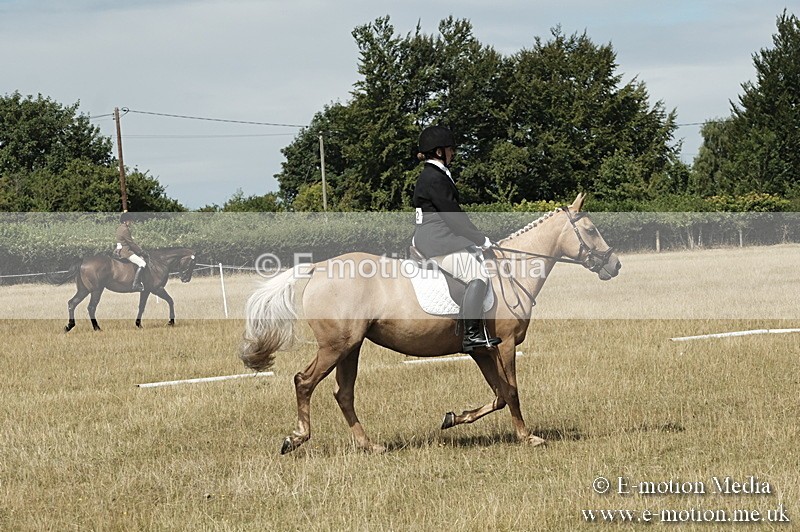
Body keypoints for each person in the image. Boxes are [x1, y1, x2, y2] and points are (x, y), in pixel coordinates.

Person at [412, 125, 501, 353]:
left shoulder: (435, 175)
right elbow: (454, 217)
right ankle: (472, 336)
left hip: (436, 237)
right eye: (450, 150)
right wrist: (481, 240)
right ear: (440, 152)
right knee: (477, 275)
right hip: (438, 240)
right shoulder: (434, 178)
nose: (453, 154)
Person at [116, 211, 147, 292]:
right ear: (125, 221)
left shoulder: (119, 228)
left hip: (120, 250)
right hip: (126, 252)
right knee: (142, 263)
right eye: (130, 221)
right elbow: (131, 243)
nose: (131, 222)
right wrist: (141, 252)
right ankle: (136, 284)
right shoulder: (125, 230)